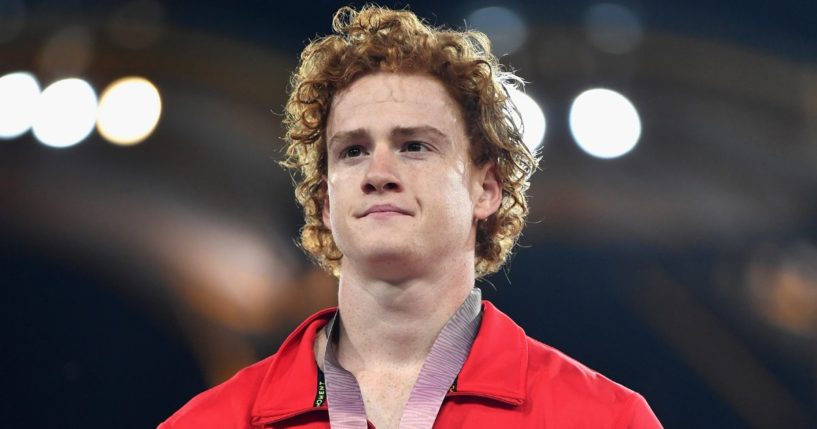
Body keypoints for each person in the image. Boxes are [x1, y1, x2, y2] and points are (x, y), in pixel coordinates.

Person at [160, 5, 662, 429]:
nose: (378, 173)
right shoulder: (209, 421)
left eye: (414, 146)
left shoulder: (603, 418)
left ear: (486, 189)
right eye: (353, 151)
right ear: (326, 203)